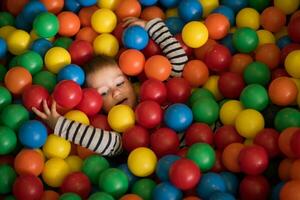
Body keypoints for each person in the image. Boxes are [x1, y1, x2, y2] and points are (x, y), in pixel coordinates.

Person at [32, 17, 188, 156]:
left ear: (129, 79)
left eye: (120, 83)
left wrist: (151, 27)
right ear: (95, 104)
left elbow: (179, 61)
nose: (116, 92)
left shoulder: (157, 93)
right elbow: (101, 141)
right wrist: (59, 124)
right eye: (104, 93)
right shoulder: (120, 133)